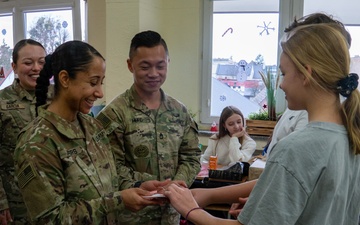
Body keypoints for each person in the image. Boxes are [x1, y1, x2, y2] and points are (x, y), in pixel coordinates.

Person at [164, 22, 360, 225]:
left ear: (306, 74)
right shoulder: (350, 137)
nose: (282, 84)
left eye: (284, 73)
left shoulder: (296, 148)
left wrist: (191, 210)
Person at [13, 40, 169, 224]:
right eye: (93, 82)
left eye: (101, 83)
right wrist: (117, 202)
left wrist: (138, 185)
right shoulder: (37, 143)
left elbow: (107, 176)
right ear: (64, 79)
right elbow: (51, 218)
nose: (100, 93)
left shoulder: (91, 126)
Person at [96, 30, 201, 224]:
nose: (154, 73)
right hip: (131, 217)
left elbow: (192, 157)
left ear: (168, 63)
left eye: (160, 66)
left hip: (170, 215)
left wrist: (176, 185)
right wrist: (141, 184)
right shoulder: (114, 114)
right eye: (145, 66)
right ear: (130, 65)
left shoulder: (179, 112)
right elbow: (108, 168)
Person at [0, 39, 51, 224]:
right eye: (28, 63)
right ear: (14, 66)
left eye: (42, 62)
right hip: (17, 201)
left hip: (55, 196)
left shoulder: (60, 97)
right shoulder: (2, 102)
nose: (36, 68)